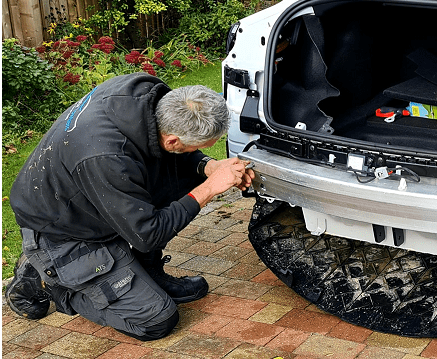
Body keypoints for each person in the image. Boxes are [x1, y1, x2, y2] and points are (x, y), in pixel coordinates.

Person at [5, 72, 254, 341]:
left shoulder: (149, 96)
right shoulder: (108, 158)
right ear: (172, 140)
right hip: (62, 232)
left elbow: (171, 156)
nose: (204, 150)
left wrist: (207, 166)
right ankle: (48, 279)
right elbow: (148, 235)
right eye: (201, 147)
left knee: (179, 177)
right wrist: (209, 188)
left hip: (94, 202)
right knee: (157, 319)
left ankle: (147, 274)